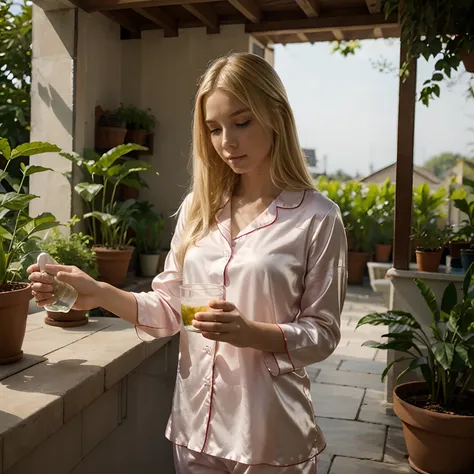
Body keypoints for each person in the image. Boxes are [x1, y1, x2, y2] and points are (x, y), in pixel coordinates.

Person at [28, 52, 347, 473]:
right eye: (214, 129)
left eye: (242, 122)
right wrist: (100, 292)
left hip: (270, 434)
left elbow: (322, 334)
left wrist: (252, 332)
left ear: (276, 114)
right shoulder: (199, 209)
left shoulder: (318, 217)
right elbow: (169, 309)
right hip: (196, 428)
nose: (226, 142)